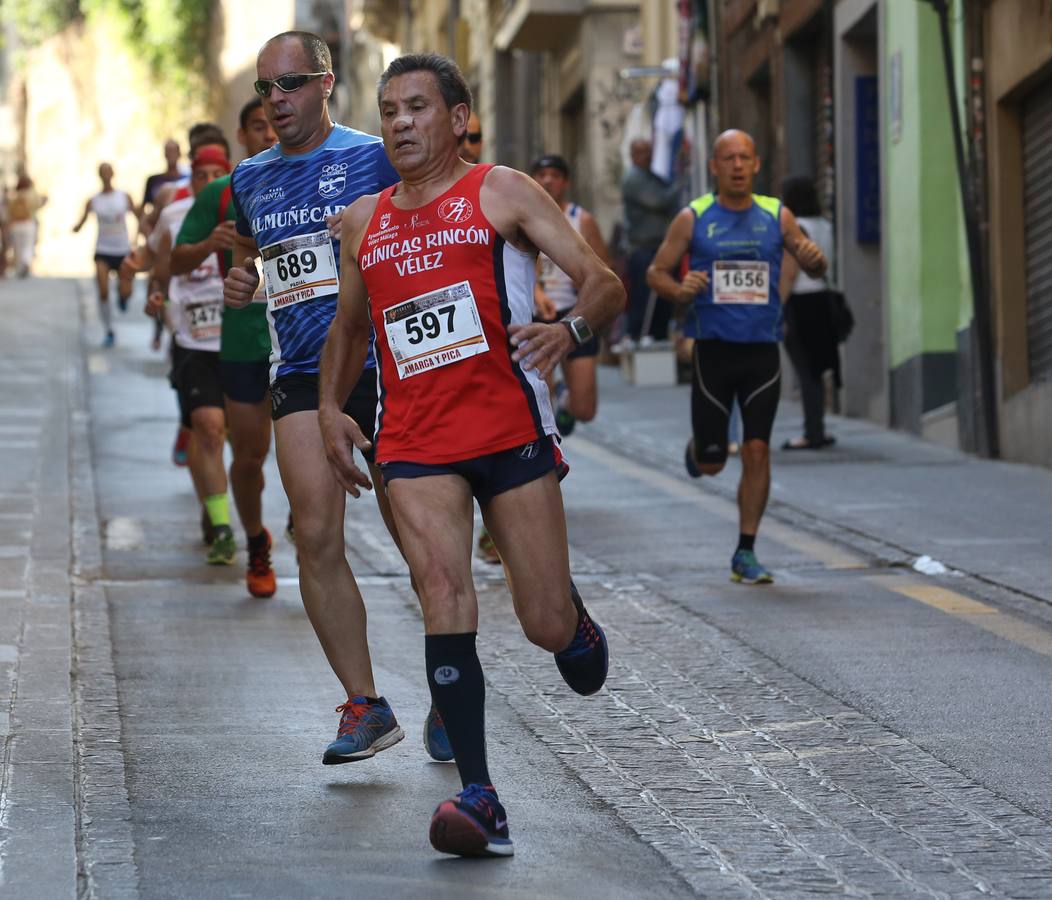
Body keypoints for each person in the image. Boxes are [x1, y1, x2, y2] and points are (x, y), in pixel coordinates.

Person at [317, 52, 623, 858]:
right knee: (444, 592)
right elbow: (349, 330)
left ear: (458, 118)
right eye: (388, 110)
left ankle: (572, 622)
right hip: (414, 446)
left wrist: (569, 332)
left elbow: (603, 282)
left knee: (544, 623)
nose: (400, 123)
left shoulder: (501, 190)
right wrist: (327, 409)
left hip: (510, 432)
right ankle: (480, 799)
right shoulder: (364, 219)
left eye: (417, 107)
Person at [223, 31, 453, 766]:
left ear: (326, 83)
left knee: (418, 534)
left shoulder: (373, 155)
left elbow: (436, 224)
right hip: (300, 372)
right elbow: (263, 263)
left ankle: (452, 689)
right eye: (266, 88)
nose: (277, 100)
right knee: (314, 535)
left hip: (387, 363)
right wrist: (245, 283)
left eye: (290, 84)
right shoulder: (249, 178)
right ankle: (365, 705)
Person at [647, 129, 827, 585]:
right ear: (715, 167)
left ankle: (745, 551)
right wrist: (677, 288)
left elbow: (813, 263)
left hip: (762, 352)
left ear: (757, 164)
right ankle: (698, 450)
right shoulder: (694, 218)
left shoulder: (777, 215)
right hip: (712, 351)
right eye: (728, 158)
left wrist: (813, 259)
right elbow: (656, 272)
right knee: (713, 462)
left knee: (757, 448)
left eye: (745, 157)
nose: (737, 166)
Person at [171, 98, 280, 598]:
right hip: (241, 343)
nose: (271, 134)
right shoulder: (221, 191)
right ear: (244, 134)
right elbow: (174, 259)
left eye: (277, 124)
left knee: (315, 448)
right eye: (260, 126)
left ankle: (310, 520)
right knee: (251, 456)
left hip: (306, 341)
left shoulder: (323, 183)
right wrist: (209, 244)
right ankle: (255, 539)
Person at [148, 146, 236, 565]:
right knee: (209, 428)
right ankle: (222, 527)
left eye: (216, 174)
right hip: (193, 341)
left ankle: (215, 501)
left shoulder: (245, 208)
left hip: (239, 342)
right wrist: (156, 294)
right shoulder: (173, 216)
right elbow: (162, 268)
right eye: (199, 175)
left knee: (247, 446)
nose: (206, 182)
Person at [530, 154, 610, 437]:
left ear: (565, 182)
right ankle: (548, 455)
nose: (548, 180)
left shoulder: (582, 219)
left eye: (555, 174)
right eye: (542, 174)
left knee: (585, 410)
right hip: (537, 314)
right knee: (540, 400)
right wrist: (537, 291)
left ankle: (566, 396)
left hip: (576, 313)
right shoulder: (522, 216)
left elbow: (604, 274)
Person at [779, 175, 838, 450]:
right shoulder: (825, 226)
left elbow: (789, 272)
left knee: (805, 371)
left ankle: (812, 432)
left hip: (801, 302)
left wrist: (776, 306)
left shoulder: (797, 228)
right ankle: (818, 428)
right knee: (816, 369)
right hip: (822, 300)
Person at [620, 138, 681, 345]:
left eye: (649, 151)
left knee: (662, 300)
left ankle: (659, 337)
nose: (647, 156)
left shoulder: (651, 176)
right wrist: (682, 179)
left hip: (659, 247)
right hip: (643, 249)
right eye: (642, 152)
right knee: (643, 299)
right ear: (633, 155)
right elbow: (660, 201)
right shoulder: (634, 179)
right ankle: (637, 338)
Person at [73, 163, 137, 347]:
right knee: (102, 291)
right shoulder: (94, 200)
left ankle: (123, 297)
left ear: (113, 174)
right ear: (99, 176)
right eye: (103, 173)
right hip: (103, 250)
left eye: (108, 172)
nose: (106, 176)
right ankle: (109, 329)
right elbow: (83, 219)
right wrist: (76, 228)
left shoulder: (123, 197)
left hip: (122, 250)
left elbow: (137, 215)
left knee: (126, 290)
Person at [140, 139, 188, 237]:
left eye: (173, 151)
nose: (170, 155)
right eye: (168, 151)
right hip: (158, 233)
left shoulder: (187, 180)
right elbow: (145, 208)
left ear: (179, 153)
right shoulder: (153, 180)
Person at [8, 174, 46, 278]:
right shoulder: (31, 195)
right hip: (28, 223)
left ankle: (20, 267)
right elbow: (38, 205)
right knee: (27, 246)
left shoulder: (14, 196)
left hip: (16, 225)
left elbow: (10, 211)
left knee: (18, 247)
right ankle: (25, 262)